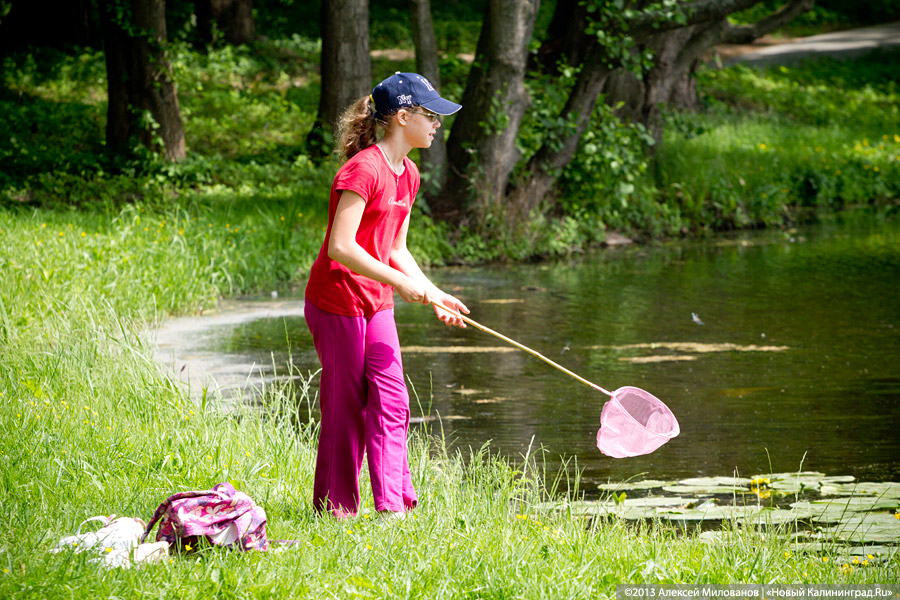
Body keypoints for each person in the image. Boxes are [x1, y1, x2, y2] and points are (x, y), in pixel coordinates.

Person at [304, 72, 469, 519]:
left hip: (376, 301)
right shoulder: (364, 169)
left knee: (393, 399)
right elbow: (341, 246)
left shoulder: (408, 173)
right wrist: (400, 283)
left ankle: (394, 507)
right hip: (337, 300)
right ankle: (335, 510)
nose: (437, 124)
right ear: (402, 117)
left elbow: (396, 248)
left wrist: (434, 294)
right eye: (430, 114)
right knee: (346, 405)